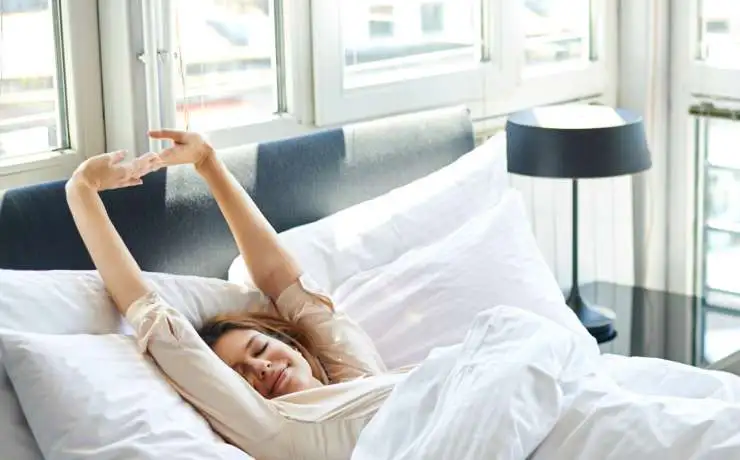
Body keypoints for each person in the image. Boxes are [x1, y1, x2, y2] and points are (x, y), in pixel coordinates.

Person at [65, 130, 411, 460]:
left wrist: (207, 162)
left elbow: (282, 280)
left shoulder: (359, 374)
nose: (261, 367)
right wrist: (81, 191)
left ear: (294, 345)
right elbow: (157, 322)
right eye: (241, 375)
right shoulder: (277, 430)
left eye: (260, 349)